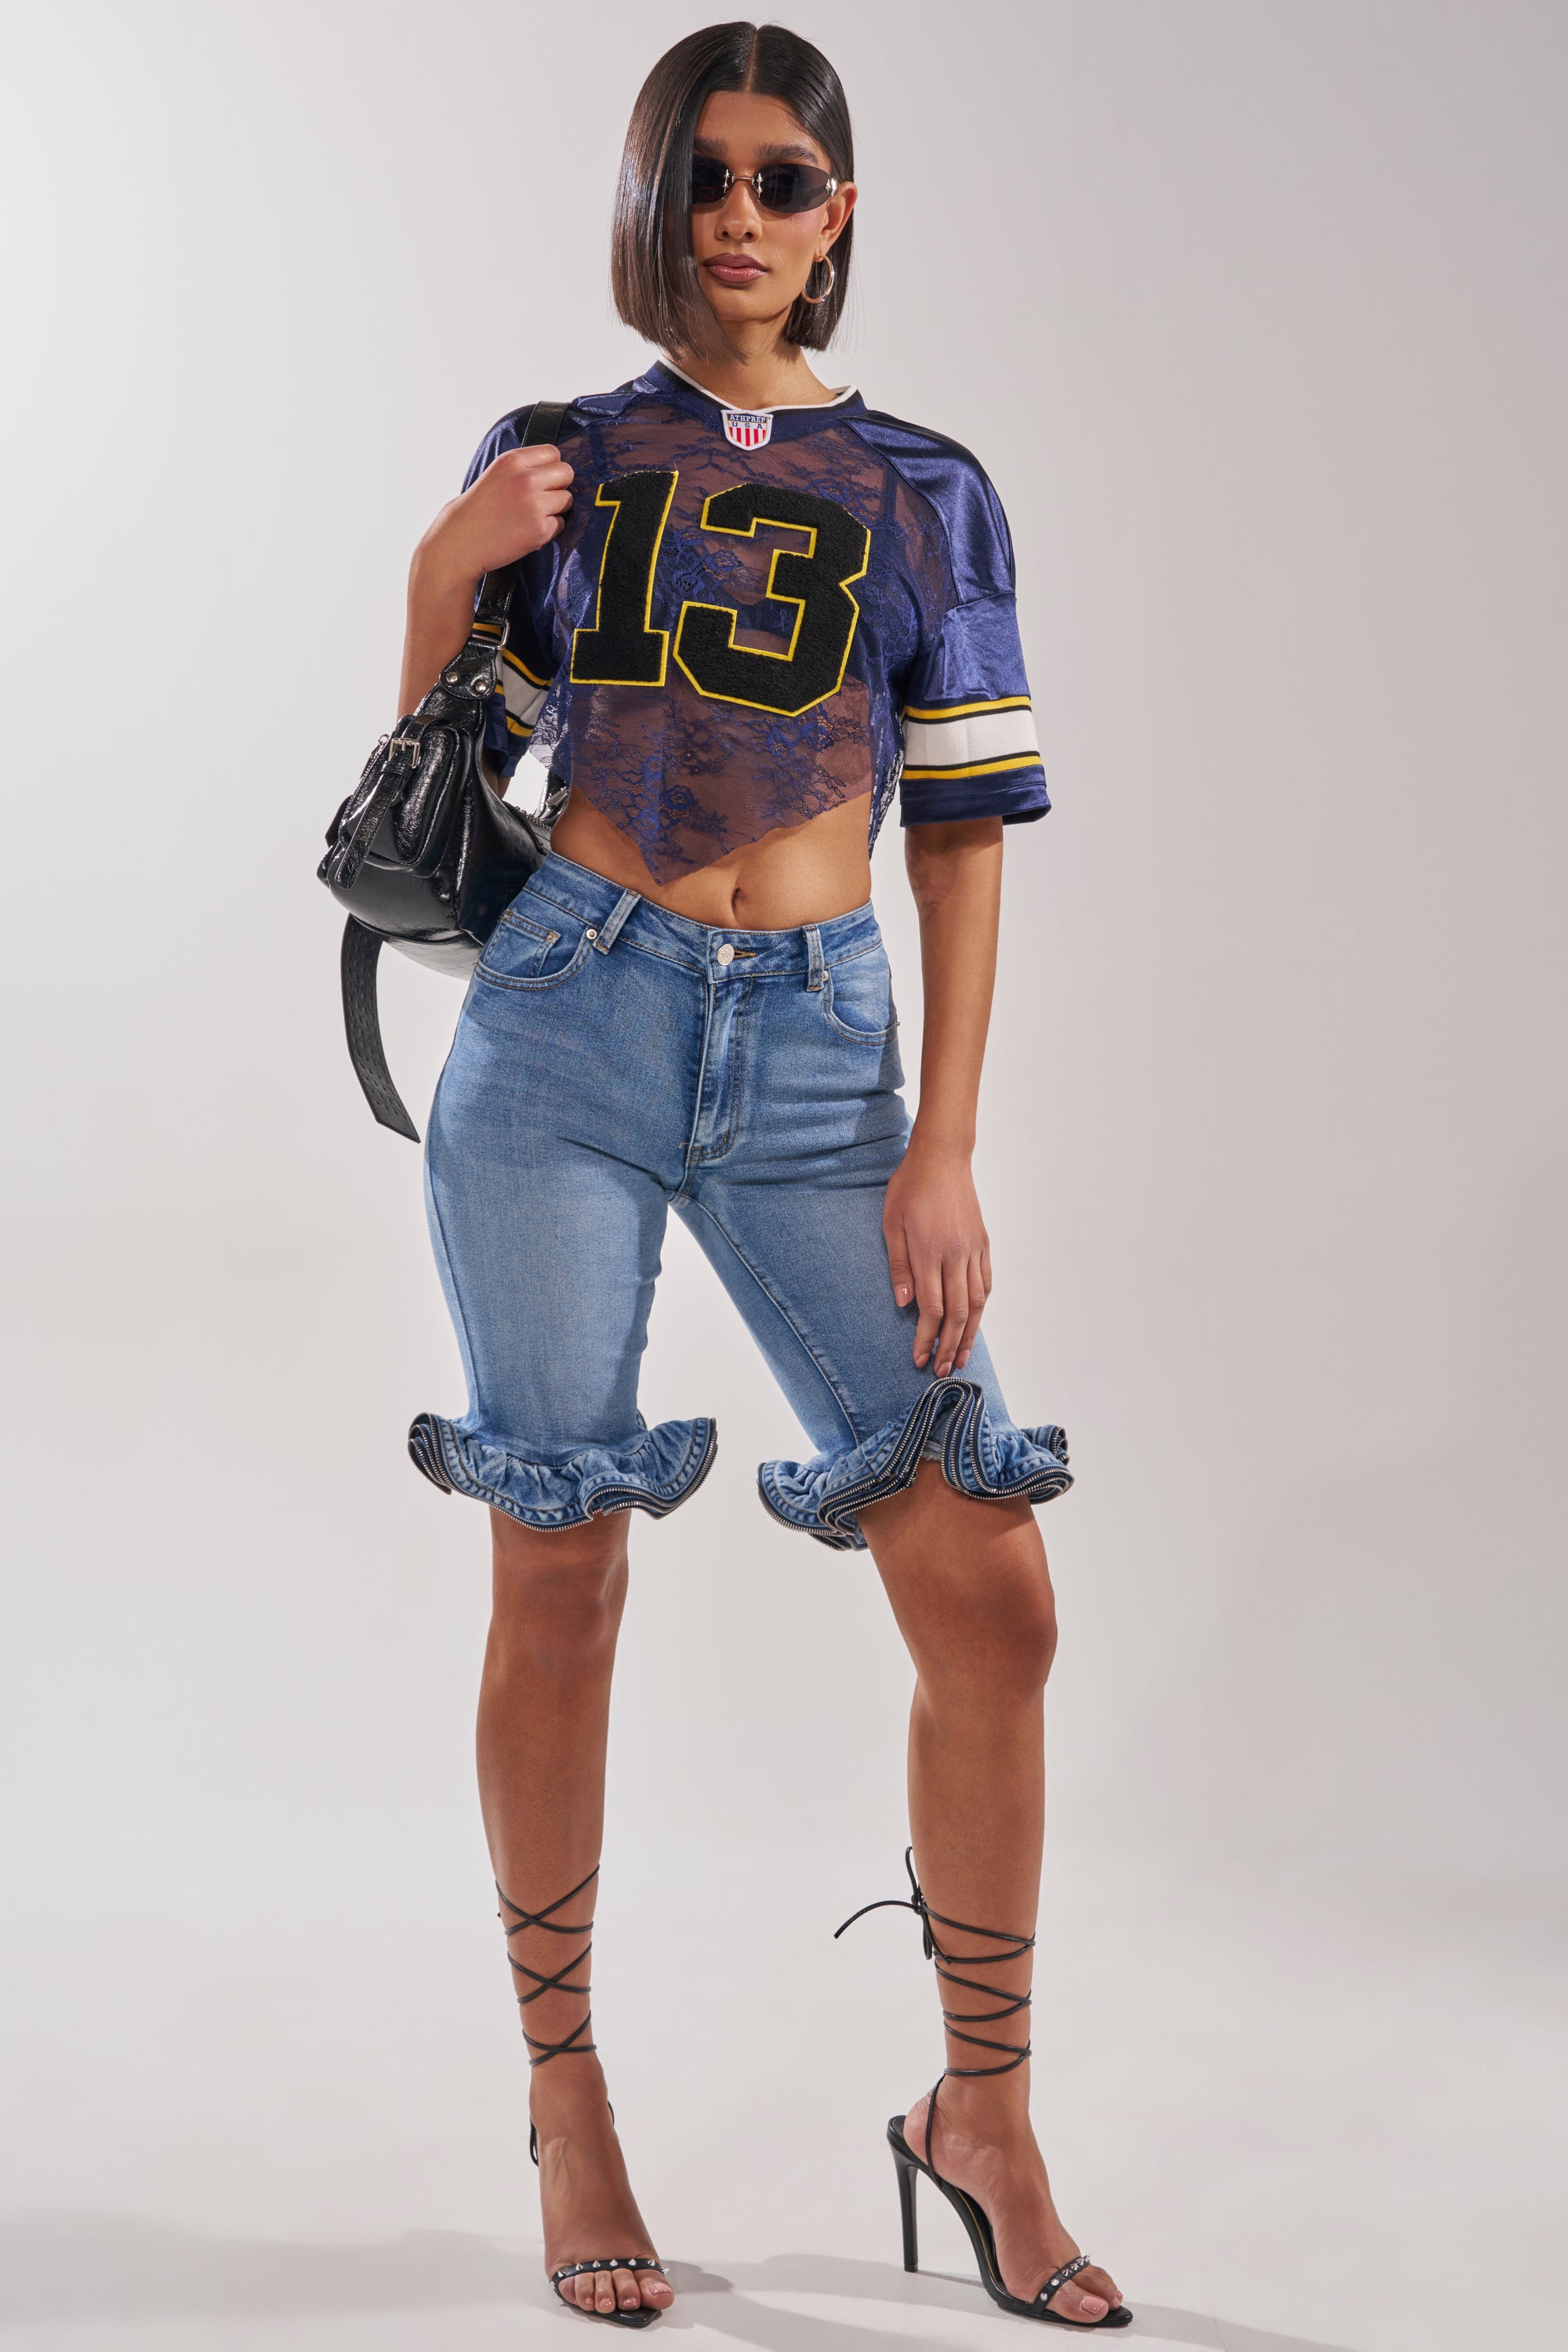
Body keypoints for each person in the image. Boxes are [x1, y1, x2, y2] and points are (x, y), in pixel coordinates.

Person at [394, 19, 1129, 2332]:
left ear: (840, 212)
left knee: (989, 1587)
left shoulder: (929, 491)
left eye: (782, 177)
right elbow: (428, 777)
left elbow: (965, 828)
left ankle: (982, 2112)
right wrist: (443, 567)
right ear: (655, 199)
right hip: (565, 1026)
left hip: (821, 1061)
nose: (738, 213)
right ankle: (567, 2093)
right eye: (702, 174)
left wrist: (946, 1143)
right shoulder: (559, 454)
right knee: (563, 1573)